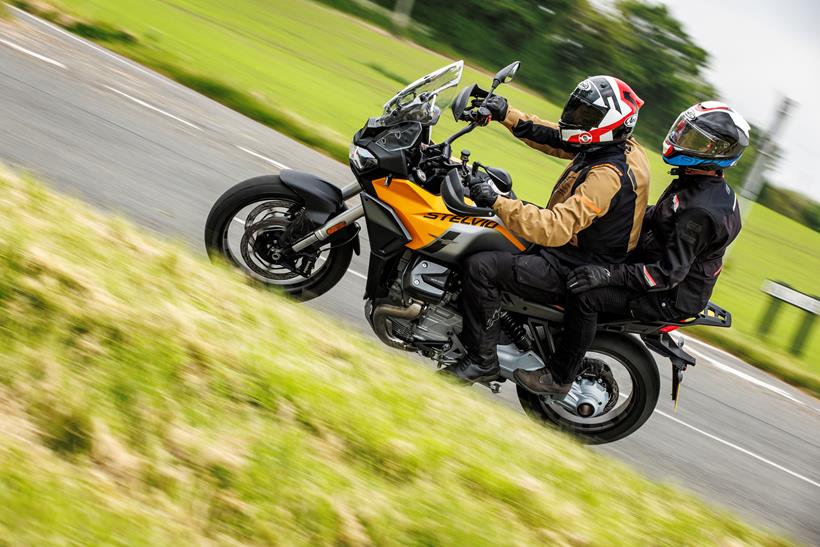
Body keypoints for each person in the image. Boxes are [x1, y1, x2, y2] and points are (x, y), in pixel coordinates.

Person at [515, 101, 749, 395]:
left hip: (669, 294)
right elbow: (658, 219)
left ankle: (560, 377)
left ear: (718, 153)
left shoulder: (700, 210)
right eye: (685, 132)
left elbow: (667, 274)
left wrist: (607, 275)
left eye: (696, 140)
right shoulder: (697, 183)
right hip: (654, 263)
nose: (683, 141)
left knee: (586, 293)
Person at [445, 75, 650, 383]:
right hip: (573, 248)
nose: (575, 119)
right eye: (577, 109)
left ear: (609, 122)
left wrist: (496, 201)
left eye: (586, 115)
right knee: (495, 228)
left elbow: (555, 228)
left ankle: (481, 359)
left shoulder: (607, 176)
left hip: (577, 263)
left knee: (481, 266)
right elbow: (556, 137)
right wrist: (506, 113)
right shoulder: (615, 145)